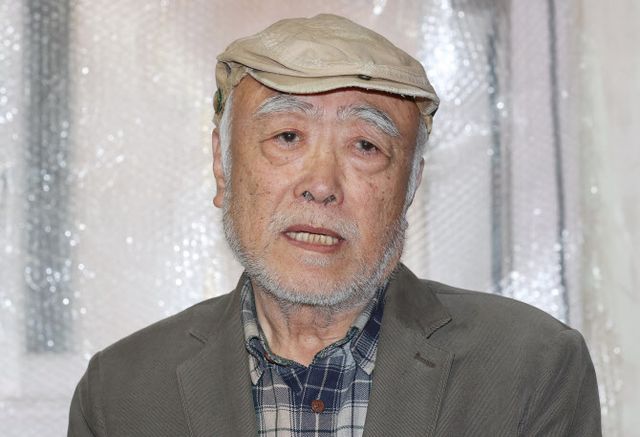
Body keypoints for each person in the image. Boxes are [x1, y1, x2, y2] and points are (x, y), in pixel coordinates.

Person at [68, 14, 601, 437]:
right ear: (222, 165)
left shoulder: (529, 369)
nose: (321, 185)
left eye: (365, 146)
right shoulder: (121, 394)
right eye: (287, 137)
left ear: (410, 184)